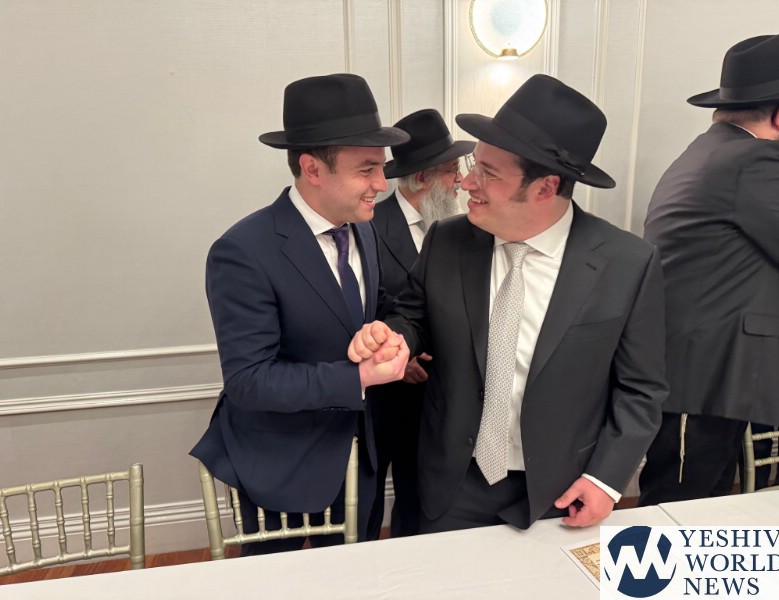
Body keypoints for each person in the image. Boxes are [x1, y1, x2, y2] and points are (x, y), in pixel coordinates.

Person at [349, 74, 668, 533]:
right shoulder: (447, 240)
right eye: (473, 166)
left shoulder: (627, 263)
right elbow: (412, 316)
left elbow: (642, 389)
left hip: (564, 488)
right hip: (451, 483)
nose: (468, 183)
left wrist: (606, 479)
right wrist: (394, 336)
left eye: (488, 173)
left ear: (545, 187)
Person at [190, 73, 411, 554]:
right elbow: (249, 380)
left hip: (362, 456)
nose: (381, 183)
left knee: (356, 576)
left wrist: (390, 334)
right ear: (312, 168)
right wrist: (358, 378)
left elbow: (382, 306)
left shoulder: (363, 228)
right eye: (367, 169)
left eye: (381, 168)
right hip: (280, 463)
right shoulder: (242, 251)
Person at [638, 33, 779, 505]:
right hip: (702, 378)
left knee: (694, 505)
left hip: (695, 374)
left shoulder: (710, 151)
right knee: (677, 511)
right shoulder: (757, 159)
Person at [367, 109, 474, 538]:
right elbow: (363, 305)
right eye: (451, 172)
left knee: (421, 499)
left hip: (440, 396)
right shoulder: (368, 226)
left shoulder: (461, 231)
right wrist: (400, 354)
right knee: (369, 497)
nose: (460, 181)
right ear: (423, 177)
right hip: (384, 397)